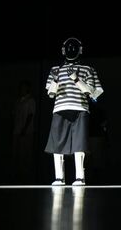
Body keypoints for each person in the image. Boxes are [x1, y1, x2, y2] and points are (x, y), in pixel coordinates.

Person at [45, 37, 103, 186]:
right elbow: (51, 93)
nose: (71, 49)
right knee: (57, 144)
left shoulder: (88, 69)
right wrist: (56, 80)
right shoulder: (55, 70)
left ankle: (80, 177)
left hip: (80, 109)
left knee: (79, 143)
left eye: (74, 47)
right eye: (68, 47)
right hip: (60, 108)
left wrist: (76, 79)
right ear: (63, 50)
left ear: (80, 50)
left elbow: (93, 93)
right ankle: (59, 177)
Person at [12, 80, 36, 183]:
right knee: (17, 153)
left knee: (25, 153)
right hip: (17, 130)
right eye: (21, 87)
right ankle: (17, 174)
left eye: (24, 87)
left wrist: (25, 129)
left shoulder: (31, 101)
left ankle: (26, 175)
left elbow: (31, 115)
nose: (22, 89)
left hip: (27, 131)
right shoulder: (18, 101)